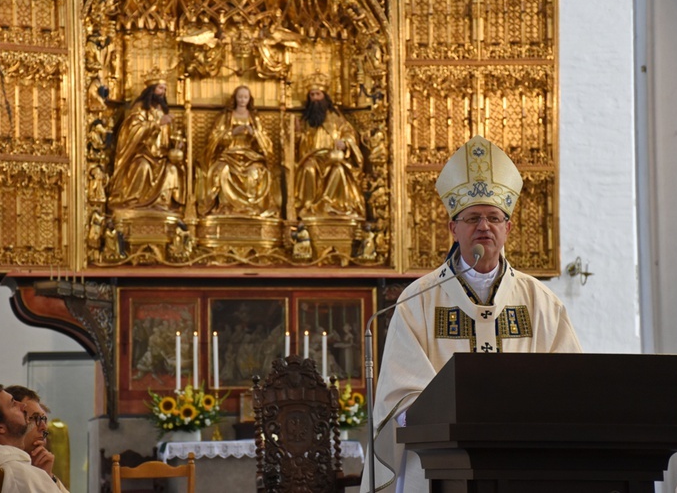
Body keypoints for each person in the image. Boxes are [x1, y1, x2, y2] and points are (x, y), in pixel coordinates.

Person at [361, 136, 582, 493]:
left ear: (508, 228)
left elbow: (572, 384)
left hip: (524, 461)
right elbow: (398, 396)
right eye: (473, 218)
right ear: (453, 228)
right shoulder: (418, 299)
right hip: (442, 464)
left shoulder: (541, 302)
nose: (484, 226)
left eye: (494, 217)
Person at [0, 383, 68, 492]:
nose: (44, 427)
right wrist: (43, 478)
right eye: (13, 404)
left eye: (44, 419)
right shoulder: (19, 474)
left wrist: (46, 476)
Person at [107, 70, 185, 214]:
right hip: (142, 153)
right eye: (160, 88)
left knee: (172, 170)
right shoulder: (140, 108)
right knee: (142, 167)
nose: (163, 92)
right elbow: (133, 131)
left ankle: (162, 203)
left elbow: (167, 136)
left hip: (162, 156)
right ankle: (133, 201)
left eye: (165, 89)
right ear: (152, 89)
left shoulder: (163, 111)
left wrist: (176, 144)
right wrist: (157, 124)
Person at [197, 85, 278, 217]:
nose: (242, 100)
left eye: (245, 97)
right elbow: (214, 137)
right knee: (222, 170)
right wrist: (232, 132)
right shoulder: (226, 116)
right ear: (235, 98)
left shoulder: (254, 118)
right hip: (229, 154)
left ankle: (250, 207)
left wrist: (255, 134)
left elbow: (265, 141)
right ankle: (226, 206)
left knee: (256, 172)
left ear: (249, 99)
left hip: (250, 155)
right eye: (240, 96)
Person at [295, 73, 365, 219]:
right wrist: (297, 133)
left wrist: (345, 143)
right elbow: (301, 143)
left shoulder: (336, 118)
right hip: (313, 157)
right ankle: (308, 207)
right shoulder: (307, 121)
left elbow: (349, 133)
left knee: (339, 170)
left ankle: (328, 205)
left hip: (332, 157)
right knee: (308, 169)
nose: (314, 98)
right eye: (312, 95)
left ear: (325, 96)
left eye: (318, 94)